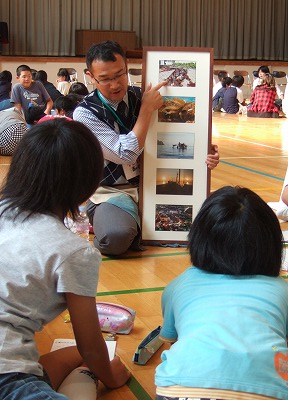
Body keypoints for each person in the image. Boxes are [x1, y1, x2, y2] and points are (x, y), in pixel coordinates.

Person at [0, 118, 130, 399]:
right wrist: (110, 376)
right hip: (6, 376)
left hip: (10, 361)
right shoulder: (74, 251)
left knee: (63, 359)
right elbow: (91, 348)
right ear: (86, 183)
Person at [73, 40, 220, 256]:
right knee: (115, 238)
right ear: (91, 76)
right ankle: (121, 221)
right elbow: (126, 153)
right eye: (104, 79)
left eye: (119, 74)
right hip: (113, 192)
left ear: (127, 66)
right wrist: (146, 109)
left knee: (214, 227)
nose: (115, 84)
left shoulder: (144, 94)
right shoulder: (84, 113)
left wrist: (204, 152)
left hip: (155, 187)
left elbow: (181, 131)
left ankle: (141, 226)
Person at [155, 185, 288, 400]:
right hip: (267, 391)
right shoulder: (283, 290)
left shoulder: (178, 285)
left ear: (199, 239)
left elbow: (173, 341)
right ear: (270, 244)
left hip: (180, 389)